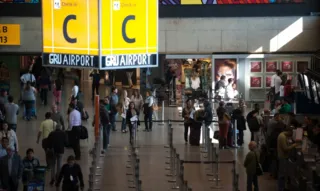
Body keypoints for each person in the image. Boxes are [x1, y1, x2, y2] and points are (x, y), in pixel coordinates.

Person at [277, 127, 298, 191]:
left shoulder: (282, 135)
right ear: (289, 132)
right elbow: (285, 148)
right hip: (282, 157)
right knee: (282, 175)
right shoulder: (283, 137)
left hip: (282, 156)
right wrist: (294, 145)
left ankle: (282, 187)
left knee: (283, 173)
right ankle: (281, 189)